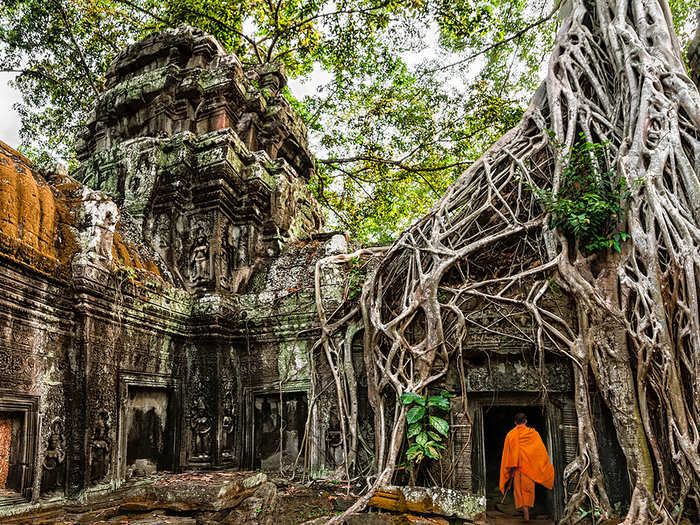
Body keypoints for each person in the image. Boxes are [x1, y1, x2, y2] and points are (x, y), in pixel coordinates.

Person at [499, 412, 555, 521]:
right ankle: (527, 512)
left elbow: (507, 454)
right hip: (529, 468)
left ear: (515, 422)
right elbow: (540, 452)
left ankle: (526, 513)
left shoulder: (510, 435)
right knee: (528, 490)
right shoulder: (533, 434)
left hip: (517, 469)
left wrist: (510, 468)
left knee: (520, 491)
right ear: (526, 421)